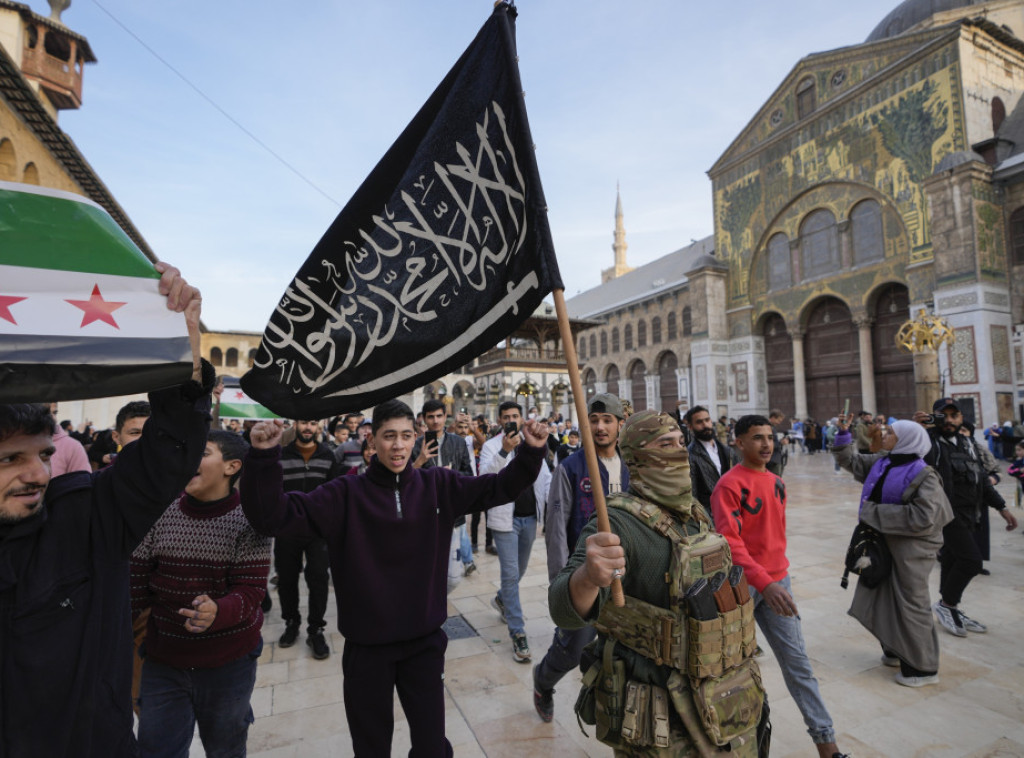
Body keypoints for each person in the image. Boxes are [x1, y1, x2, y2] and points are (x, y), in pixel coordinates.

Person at [241, 399, 548, 758]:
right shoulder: (345, 494)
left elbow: (498, 488)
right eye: (389, 436)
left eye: (405, 435)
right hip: (367, 648)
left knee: (432, 746)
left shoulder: (439, 485)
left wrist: (532, 450)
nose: (398, 445)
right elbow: (273, 516)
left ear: (415, 437)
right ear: (373, 441)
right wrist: (263, 457)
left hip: (424, 644)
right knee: (371, 746)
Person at [0, 263, 208, 758]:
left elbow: (167, 453)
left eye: (43, 456)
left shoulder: (87, 518)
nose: (37, 475)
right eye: (11, 459)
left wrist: (182, 345)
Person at [549, 410, 765, 756]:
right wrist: (589, 576)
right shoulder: (616, 522)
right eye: (666, 444)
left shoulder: (694, 512)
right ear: (636, 457)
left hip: (721, 697)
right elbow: (562, 608)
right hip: (658, 712)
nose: (680, 453)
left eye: (682, 443)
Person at [712, 415, 849, 758]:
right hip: (742, 585)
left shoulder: (777, 482)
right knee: (729, 672)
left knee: (798, 663)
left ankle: (827, 746)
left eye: (770, 437)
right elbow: (730, 542)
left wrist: (776, 579)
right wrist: (764, 582)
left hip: (777, 582)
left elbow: (775, 538)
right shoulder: (729, 485)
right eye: (757, 437)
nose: (766, 444)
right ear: (738, 442)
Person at [131, 430, 271, 756]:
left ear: (231, 466)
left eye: (203, 452)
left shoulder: (250, 519)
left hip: (228, 664)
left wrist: (217, 611)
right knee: (155, 748)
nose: (190, 459)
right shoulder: (162, 510)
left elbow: (250, 591)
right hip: (164, 660)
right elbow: (134, 582)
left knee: (225, 748)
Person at [832, 417, 953, 687]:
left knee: (911, 603)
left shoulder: (924, 474)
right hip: (885, 544)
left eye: (891, 435)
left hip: (913, 549)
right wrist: (843, 434)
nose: (885, 437)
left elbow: (924, 517)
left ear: (908, 440)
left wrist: (872, 512)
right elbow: (850, 461)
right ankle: (895, 649)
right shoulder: (883, 462)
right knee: (884, 596)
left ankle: (923, 667)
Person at [533, 393, 628, 722]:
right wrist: (562, 583)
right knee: (572, 648)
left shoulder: (631, 467)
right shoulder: (571, 468)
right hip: (585, 577)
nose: (600, 427)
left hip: (625, 575)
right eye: (594, 420)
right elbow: (557, 528)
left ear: (620, 424)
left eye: (607, 420)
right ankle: (542, 681)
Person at [914, 399, 1018, 637]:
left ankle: (950, 606)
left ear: (961, 418)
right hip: (946, 515)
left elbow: (981, 479)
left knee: (952, 559)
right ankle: (947, 605)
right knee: (972, 561)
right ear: (935, 417)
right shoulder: (927, 443)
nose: (949, 420)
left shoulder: (967, 443)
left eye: (954, 415)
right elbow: (905, 457)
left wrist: (1002, 507)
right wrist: (917, 430)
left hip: (970, 513)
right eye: (943, 415)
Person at [479, 401, 552, 662]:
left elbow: (545, 478)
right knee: (510, 575)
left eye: (515, 415)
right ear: (499, 420)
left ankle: (501, 600)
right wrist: (502, 451)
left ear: (522, 418)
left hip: (530, 518)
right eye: (506, 416)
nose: (511, 419)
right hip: (504, 521)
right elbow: (485, 477)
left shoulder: (531, 442)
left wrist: (550, 513)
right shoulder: (491, 446)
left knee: (519, 571)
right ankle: (518, 633)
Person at [275, 419, 344, 659]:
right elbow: (275, 491)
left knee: (318, 579)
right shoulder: (281, 455)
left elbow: (335, 492)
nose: (308, 427)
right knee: (286, 579)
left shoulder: (328, 456)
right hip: (287, 530)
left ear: (318, 427)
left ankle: (316, 628)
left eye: (313, 423)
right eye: (304, 422)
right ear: (295, 424)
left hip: (318, 531)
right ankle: (291, 622)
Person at [412, 400, 476, 577]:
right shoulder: (416, 445)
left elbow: (468, 474)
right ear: (424, 419)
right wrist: (420, 460)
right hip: (426, 510)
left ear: (445, 417)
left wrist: (451, 475)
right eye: (431, 417)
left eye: (439, 416)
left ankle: (466, 563)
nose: (435, 421)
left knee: (453, 572)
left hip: (451, 507)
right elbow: (406, 480)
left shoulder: (458, 442)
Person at [684, 404, 731, 527]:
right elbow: (692, 497)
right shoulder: (690, 456)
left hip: (733, 513)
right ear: (690, 426)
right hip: (710, 519)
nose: (705, 425)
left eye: (707, 420)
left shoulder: (727, 451)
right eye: (699, 422)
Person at [48, 403, 90, 476]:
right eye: (44, 412)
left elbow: (82, 482)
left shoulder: (72, 446)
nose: (53, 418)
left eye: (55, 413)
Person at [766, 409, 789, 476]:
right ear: (773, 418)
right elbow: (768, 445)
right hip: (772, 461)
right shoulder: (768, 428)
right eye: (778, 420)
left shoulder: (771, 427)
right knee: (775, 482)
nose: (779, 423)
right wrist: (781, 443)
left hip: (774, 459)